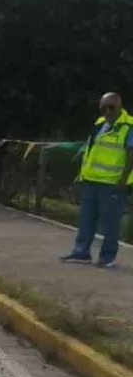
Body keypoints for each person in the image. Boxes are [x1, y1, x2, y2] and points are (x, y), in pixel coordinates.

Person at [60, 92, 133, 268]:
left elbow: (131, 153)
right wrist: (82, 175)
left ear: (113, 107)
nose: (101, 112)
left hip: (112, 183)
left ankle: (107, 257)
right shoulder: (100, 124)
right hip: (91, 179)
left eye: (104, 108)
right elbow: (90, 151)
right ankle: (81, 252)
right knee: (86, 219)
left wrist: (123, 180)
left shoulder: (128, 126)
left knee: (110, 223)